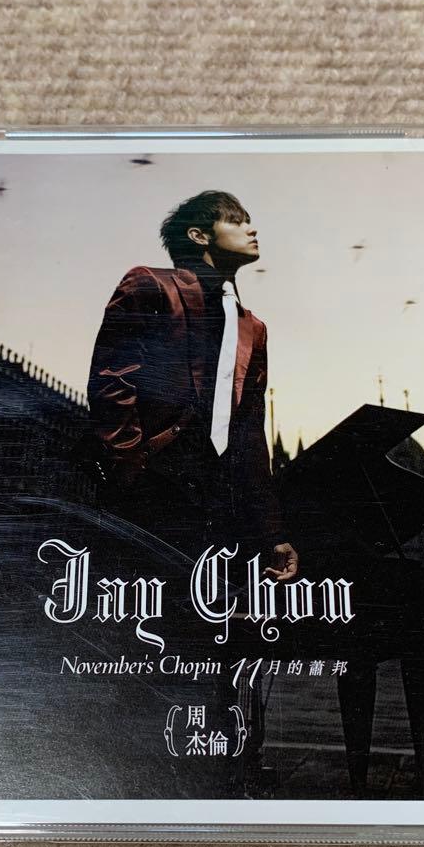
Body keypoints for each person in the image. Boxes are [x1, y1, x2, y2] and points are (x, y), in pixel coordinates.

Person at [86, 190, 299, 582]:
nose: (251, 229)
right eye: (236, 221)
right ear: (199, 236)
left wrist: (272, 532)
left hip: (220, 505)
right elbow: (112, 383)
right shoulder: (150, 284)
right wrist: (132, 471)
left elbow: (251, 432)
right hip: (151, 488)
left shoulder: (253, 328)